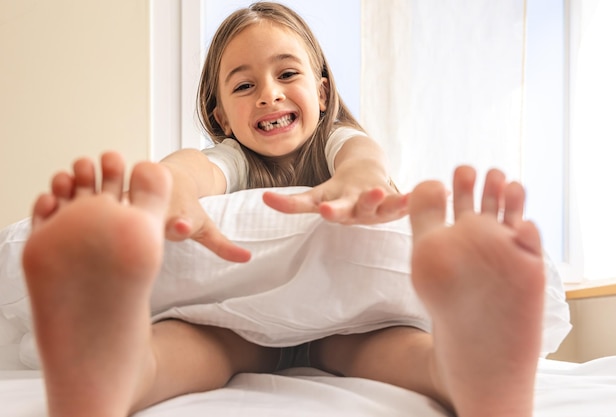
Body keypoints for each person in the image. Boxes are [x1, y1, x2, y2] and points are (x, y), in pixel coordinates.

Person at [21, 2, 546, 417]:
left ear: (321, 92)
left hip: (344, 327)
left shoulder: (335, 143)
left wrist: (361, 182)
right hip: (240, 326)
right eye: (244, 86)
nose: (269, 96)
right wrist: (168, 188)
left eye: (286, 74)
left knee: (393, 348)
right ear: (220, 115)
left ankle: (469, 369)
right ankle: (112, 370)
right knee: (192, 344)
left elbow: (363, 157)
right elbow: (194, 169)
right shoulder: (233, 157)